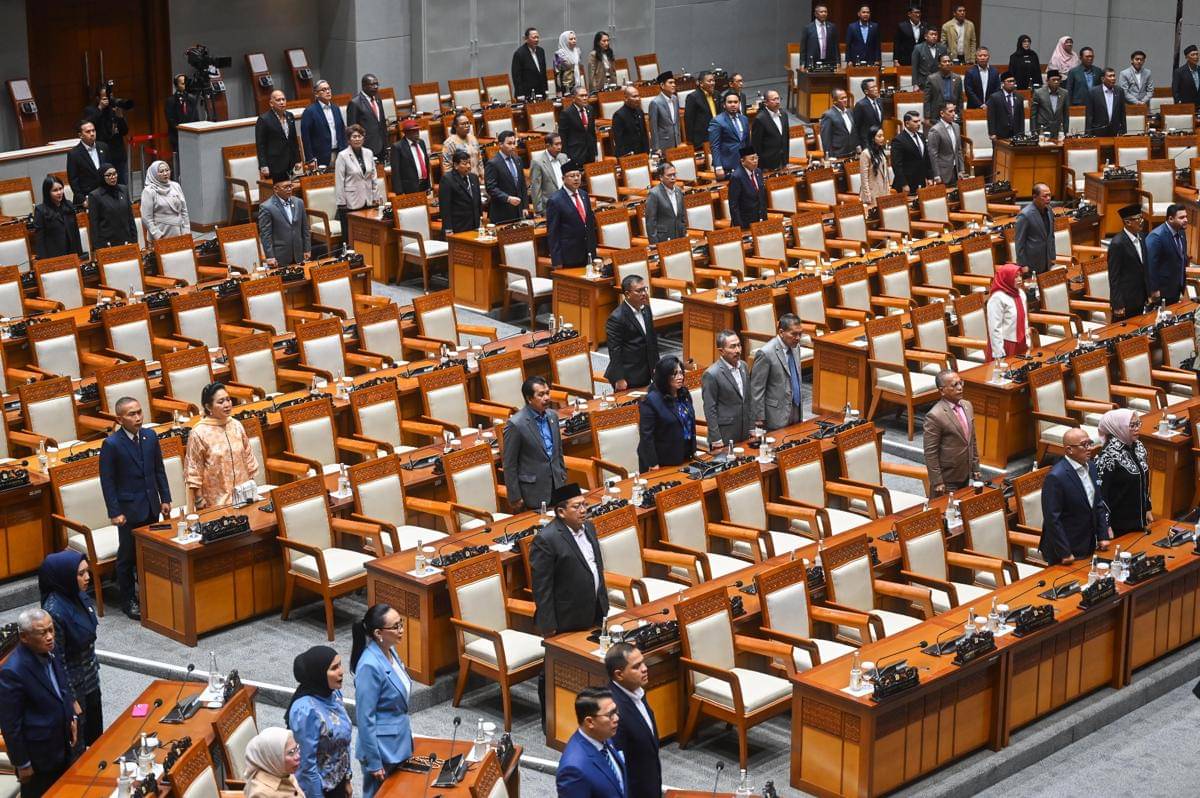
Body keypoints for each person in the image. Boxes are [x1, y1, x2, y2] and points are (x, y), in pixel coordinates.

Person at [99, 397, 170, 620]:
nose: (138, 417)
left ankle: (151, 594)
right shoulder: (111, 444)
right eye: (132, 414)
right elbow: (108, 482)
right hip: (128, 511)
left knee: (151, 552)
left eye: (139, 412)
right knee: (127, 557)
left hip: (151, 505)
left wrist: (165, 498)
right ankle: (128, 600)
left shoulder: (150, 437)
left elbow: (159, 469)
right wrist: (114, 512)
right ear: (120, 419)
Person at [0, 609, 79, 798]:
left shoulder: (51, 649)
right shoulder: (12, 672)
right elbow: (11, 725)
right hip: (39, 757)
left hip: (62, 743)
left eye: (51, 630)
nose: (50, 637)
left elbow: (62, 686)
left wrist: (72, 716)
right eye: (43, 633)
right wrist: (22, 764)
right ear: (25, 637)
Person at [530, 483, 609, 636]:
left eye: (585, 504)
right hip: (568, 619)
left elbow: (595, 567)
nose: (583, 510)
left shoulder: (589, 527)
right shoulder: (546, 540)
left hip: (596, 611)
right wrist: (548, 625)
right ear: (561, 512)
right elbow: (542, 587)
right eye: (576, 506)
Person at [38, 551, 100, 746]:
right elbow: (57, 660)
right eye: (81, 574)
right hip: (75, 687)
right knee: (79, 746)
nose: (87, 577)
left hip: (90, 678)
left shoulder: (79, 596)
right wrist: (71, 700)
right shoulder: (54, 611)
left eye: (87, 572)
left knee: (97, 739)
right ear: (65, 576)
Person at [351, 605, 412, 798]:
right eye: (395, 627)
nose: (401, 629)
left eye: (401, 623)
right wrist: (374, 761)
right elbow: (364, 718)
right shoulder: (369, 665)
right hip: (381, 749)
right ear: (378, 633)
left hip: (397, 741)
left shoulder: (389, 650)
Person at [1040, 427, 1112, 565]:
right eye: (1084, 445)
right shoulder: (1055, 477)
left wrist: (1103, 535)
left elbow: (1098, 502)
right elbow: (1052, 519)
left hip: (1088, 544)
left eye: (1090, 443)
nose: (1089, 448)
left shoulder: (1091, 467)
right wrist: (1065, 552)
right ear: (1069, 450)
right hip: (1065, 551)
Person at [287, 646, 352, 798]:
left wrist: (347, 779)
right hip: (320, 790)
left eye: (340, 665)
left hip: (339, 781)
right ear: (319, 674)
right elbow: (305, 766)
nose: (341, 671)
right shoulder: (305, 711)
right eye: (334, 668)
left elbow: (344, 744)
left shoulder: (334, 694)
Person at [185, 383, 259, 510]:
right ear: (208, 407)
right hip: (216, 502)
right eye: (221, 402)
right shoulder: (199, 433)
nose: (227, 404)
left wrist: (251, 487)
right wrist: (199, 500)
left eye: (228, 399)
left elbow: (248, 457)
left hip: (244, 496)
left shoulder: (236, 425)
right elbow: (193, 470)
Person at [502, 376, 567, 513]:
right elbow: (509, 464)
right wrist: (514, 497)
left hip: (557, 486)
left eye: (547, 393)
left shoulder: (552, 416)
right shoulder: (516, 424)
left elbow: (558, 450)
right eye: (541, 395)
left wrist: (562, 473)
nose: (546, 398)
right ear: (529, 398)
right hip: (533, 492)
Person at [605, 644, 660, 798]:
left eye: (643, 662)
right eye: (636, 667)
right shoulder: (613, 712)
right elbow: (617, 767)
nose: (644, 668)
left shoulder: (637, 692)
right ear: (619, 674)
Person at [555, 687, 626, 798]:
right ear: (590, 722)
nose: (616, 718)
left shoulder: (604, 736)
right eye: (610, 714)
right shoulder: (573, 770)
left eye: (616, 711)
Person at [1095, 409, 1153, 535]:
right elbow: (1101, 495)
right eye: (1132, 425)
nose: (1137, 428)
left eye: (1138, 423)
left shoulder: (1138, 446)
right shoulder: (1107, 456)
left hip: (1139, 519)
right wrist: (1105, 525)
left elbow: (1144, 479)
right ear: (1118, 427)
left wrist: (1147, 508)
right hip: (1119, 525)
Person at [922, 370, 979, 495]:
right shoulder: (934, 415)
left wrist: (975, 467)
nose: (960, 388)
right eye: (954, 385)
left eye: (961, 383)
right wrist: (937, 482)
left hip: (965, 473)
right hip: (947, 480)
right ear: (942, 390)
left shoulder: (967, 406)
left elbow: (972, 440)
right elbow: (930, 453)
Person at [637, 356, 697, 471]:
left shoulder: (684, 394)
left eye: (681, 373)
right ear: (664, 376)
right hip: (662, 461)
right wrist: (653, 463)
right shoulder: (651, 401)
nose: (680, 377)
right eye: (674, 374)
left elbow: (689, 422)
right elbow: (646, 436)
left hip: (685, 456)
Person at [749, 313, 806, 431]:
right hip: (776, 413)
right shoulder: (766, 353)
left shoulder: (796, 347)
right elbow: (757, 388)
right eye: (794, 334)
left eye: (800, 334)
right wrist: (758, 417)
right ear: (781, 332)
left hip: (796, 408)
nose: (798, 338)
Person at [604, 275, 659, 390]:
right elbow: (615, 350)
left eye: (645, 289)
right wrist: (619, 378)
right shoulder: (617, 318)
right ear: (628, 294)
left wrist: (656, 365)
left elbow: (652, 340)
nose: (644, 293)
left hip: (647, 368)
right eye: (639, 291)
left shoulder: (646, 309)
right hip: (629, 374)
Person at [701, 330, 752, 448]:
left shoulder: (743, 366)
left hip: (744, 430)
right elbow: (710, 409)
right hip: (724, 434)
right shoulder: (711, 374)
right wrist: (716, 438)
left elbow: (748, 399)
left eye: (739, 345)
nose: (738, 350)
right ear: (721, 351)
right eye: (733, 347)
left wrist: (752, 427)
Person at [335, 124, 386, 235]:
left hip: (368, 199)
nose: (357, 139)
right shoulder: (342, 156)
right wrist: (341, 203)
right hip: (351, 201)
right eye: (354, 136)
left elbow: (373, 177)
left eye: (359, 136)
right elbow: (339, 181)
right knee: (352, 234)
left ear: (363, 138)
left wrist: (375, 196)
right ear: (349, 140)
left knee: (367, 232)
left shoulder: (369, 153)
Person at [545, 160, 597, 268]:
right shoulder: (555, 200)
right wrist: (557, 261)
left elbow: (589, 224)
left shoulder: (584, 195)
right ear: (563, 179)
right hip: (569, 256)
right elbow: (553, 234)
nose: (576, 178)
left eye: (578, 175)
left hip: (588, 253)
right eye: (572, 176)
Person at [1107, 204, 1149, 320]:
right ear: (1127, 222)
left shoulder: (1142, 237)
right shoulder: (1117, 244)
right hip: (1125, 301)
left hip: (1140, 297)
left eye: (1141, 217)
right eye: (1138, 219)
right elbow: (1114, 277)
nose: (1141, 221)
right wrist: (1117, 304)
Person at [82, 84, 129, 186]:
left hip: (119, 154)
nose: (108, 100)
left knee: (122, 186)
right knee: (106, 186)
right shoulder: (91, 110)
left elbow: (124, 131)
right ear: (98, 98)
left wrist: (120, 117)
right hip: (103, 154)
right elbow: (88, 125)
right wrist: (100, 108)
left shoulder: (114, 109)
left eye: (110, 97)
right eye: (104, 98)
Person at [258, 179, 311, 267]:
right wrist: (270, 256)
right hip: (280, 256)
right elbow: (266, 235)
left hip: (299, 254)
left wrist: (307, 249)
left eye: (290, 186)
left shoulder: (299, 202)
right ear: (276, 189)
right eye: (285, 187)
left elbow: (305, 228)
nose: (289, 189)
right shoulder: (266, 207)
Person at [31, 175, 83, 260]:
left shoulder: (69, 205)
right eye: (55, 190)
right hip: (53, 256)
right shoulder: (40, 210)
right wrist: (45, 261)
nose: (59, 192)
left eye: (60, 188)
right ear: (47, 192)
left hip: (72, 253)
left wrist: (79, 255)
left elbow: (76, 232)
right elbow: (40, 239)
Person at [985, 262, 1030, 360]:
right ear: (1006, 278)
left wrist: (1027, 338)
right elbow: (994, 328)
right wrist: (999, 352)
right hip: (1005, 344)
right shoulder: (997, 298)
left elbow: (1024, 318)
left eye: (1020, 276)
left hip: (1021, 342)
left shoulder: (1021, 293)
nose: (1019, 279)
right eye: (1015, 276)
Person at [242, 727, 303, 798]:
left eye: (297, 748)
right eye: (291, 752)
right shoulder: (261, 794)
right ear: (273, 758)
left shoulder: (281, 770)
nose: (298, 756)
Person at [1146, 204, 1189, 305]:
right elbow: (1151, 266)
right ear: (1170, 218)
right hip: (1162, 291)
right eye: (1181, 217)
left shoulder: (1181, 233)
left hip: (1176, 287)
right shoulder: (1156, 237)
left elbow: (1181, 258)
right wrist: (1154, 289)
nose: (1186, 220)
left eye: (1186, 216)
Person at [87, 164, 137, 249]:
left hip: (127, 240)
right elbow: (94, 225)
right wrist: (98, 248)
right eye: (108, 175)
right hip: (107, 244)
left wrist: (134, 240)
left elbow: (130, 218)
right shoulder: (95, 196)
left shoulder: (123, 190)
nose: (112, 177)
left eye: (114, 174)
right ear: (102, 177)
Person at [301, 80, 348, 170]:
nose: (327, 91)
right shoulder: (310, 111)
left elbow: (342, 130)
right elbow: (306, 138)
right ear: (316, 94)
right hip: (321, 156)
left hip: (339, 153)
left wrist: (345, 150)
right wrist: (310, 159)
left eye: (328, 89)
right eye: (323, 90)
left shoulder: (336, 108)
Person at [256, 90, 301, 183]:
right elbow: (260, 145)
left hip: (290, 162)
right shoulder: (264, 119)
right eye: (278, 100)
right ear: (271, 103)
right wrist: (263, 165)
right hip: (274, 164)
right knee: (279, 191)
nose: (281, 102)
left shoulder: (290, 116)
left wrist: (298, 160)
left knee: (290, 190)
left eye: (283, 99)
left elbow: (293, 140)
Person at [140, 160, 190, 243]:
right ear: (154, 174)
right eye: (161, 171)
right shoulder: (149, 191)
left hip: (180, 232)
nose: (165, 173)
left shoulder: (175, 186)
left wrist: (186, 230)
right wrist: (158, 235)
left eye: (167, 170)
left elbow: (184, 211)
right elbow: (146, 218)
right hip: (162, 233)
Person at [485, 131, 527, 224]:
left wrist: (524, 207)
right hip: (502, 213)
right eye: (509, 143)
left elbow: (522, 185)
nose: (513, 146)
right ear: (500, 144)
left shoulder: (518, 160)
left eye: (514, 143)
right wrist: (508, 198)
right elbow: (491, 188)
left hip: (518, 211)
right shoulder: (493, 163)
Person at [438, 149, 482, 235]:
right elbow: (445, 207)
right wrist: (448, 229)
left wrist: (479, 220)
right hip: (458, 226)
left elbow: (477, 200)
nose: (468, 166)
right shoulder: (447, 179)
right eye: (464, 163)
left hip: (474, 225)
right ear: (456, 165)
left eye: (469, 163)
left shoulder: (474, 178)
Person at [345, 74, 387, 158]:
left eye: (377, 84)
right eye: (372, 84)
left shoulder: (378, 99)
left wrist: (386, 144)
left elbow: (382, 124)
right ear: (364, 86)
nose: (375, 87)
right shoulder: (355, 103)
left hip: (381, 146)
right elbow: (352, 130)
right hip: (366, 147)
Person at [65, 120, 108, 202]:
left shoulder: (104, 147)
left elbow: (109, 169)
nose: (92, 134)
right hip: (87, 197)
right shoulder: (74, 154)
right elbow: (73, 180)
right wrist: (82, 200)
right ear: (80, 135)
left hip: (106, 194)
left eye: (93, 130)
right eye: (88, 132)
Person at [643, 162, 687, 243]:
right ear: (661, 177)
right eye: (669, 175)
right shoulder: (654, 194)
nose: (673, 177)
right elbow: (650, 222)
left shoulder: (678, 191)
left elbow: (682, 216)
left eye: (674, 174)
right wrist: (654, 244)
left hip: (680, 236)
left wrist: (684, 233)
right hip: (663, 239)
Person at [890, 111, 932, 194]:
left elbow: (926, 158)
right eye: (915, 122)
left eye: (919, 121)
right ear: (907, 123)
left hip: (920, 181)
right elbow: (896, 165)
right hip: (907, 183)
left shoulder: (921, 136)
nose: (919, 124)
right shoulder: (899, 140)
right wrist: (904, 184)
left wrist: (930, 177)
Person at [164, 74, 199, 167]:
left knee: (193, 160)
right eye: (182, 83)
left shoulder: (192, 98)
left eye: (185, 83)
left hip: (192, 135)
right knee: (180, 162)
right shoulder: (170, 101)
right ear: (176, 85)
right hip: (177, 136)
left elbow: (196, 117)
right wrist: (182, 130)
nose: (185, 85)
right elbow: (170, 120)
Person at [927, 102, 964, 187]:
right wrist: (936, 175)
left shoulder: (956, 127)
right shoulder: (935, 130)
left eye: (954, 111)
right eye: (950, 111)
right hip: (943, 173)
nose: (953, 114)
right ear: (942, 113)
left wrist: (961, 169)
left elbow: (959, 150)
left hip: (956, 170)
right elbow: (933, 155)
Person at [727, 147, 766, 229]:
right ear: (742, 161)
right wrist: (739, 226)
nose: (755, 161)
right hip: (745, 223)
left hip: (761, 219)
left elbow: (761, 198)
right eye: (752, 159)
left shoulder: (758, 172)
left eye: (756, 158)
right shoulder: (736, 177)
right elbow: (734, 205)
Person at [390, 119, 430, 196]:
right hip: (408, 189)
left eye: (417, 130)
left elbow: (426, 164)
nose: (417, 133)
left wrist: (428, 185)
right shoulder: (398, 147)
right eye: (413, 131)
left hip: (424, 186)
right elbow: (395, 172)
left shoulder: (421, 143)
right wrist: (399, 192)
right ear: (406, 133)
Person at [530, 132, 567, 214]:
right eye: (556, 144)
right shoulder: (537, 162)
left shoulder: (563, 157)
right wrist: (539, 210)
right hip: (550, 206)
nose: (559, 147)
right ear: (548, 146)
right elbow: (536, 188)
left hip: (567, 202)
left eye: (560, 144)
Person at [560, 86, 598, 167]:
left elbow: (592, 133)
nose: (584, 98)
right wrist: (567, 157)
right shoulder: (566, 113)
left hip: (590, 154)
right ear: (573, 98)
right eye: (581, 96)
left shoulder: (590, 109)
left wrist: (595, 152)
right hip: (575, 154)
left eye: (586, 95)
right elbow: (563, 137)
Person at [750, 90, 788, 171]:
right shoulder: (760, 119)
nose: (777, 102)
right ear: (766, 102)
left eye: (778, 99)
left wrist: (786, 160)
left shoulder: (784, 115)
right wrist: (760, 165)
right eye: (774, 99)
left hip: (782, 161)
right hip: (767, 164)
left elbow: (786, 138)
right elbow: (756, 145)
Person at [441, 113, 484, 181]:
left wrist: (482, 175)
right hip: (460, 181)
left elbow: (479, 159)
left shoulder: (473, 138)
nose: (467, 126)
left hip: (476, 178)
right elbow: (447, 167)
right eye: (463, 124)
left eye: (468, 123)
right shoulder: (449, 143)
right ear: (455, 126)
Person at [923, 54, 964, 122]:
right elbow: (927, 100)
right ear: (939, 64)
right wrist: (927, 117)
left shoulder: (957, 78)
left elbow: (960, 99)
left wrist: (960, 114)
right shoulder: (932, 78)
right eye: (944, 62)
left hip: (953, 114)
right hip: (937, 115)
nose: (947, 63)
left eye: (949, 61)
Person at [1085, 68, 1127, 135]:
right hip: (1098, 130)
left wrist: (1124, 130)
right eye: (1110, 76)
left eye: (1114, 76)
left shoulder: (1120, 91)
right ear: (1102, 79)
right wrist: (1088, 132)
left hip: (1114, 131)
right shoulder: (1093, 92)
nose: (1113, 78)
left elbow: (1122, 112)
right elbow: (1089, 114)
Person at [986, 72, 1026, 140]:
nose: (1012, 83)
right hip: (1000, 134)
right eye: (1009, 81)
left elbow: (1021, 117)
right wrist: (992, 133)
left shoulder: (1019, 97)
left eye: (1013, 81)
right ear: (1002, 83)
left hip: (1016, 133)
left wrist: (1022, 133)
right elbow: (991, 117)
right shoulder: (995, 97)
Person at [611, 86, 648, 157]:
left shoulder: (640, 111)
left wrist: (647, 152)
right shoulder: (619, 115)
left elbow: (644, 134)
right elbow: (619, 141)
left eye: (638, 96)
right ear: (626, 98)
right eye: (634, 96)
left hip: (642, 152)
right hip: (628, 155)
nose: (638, 99)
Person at [819, 88, 856, 158]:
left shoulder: (850, 112)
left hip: (852, 153)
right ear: (834, 101)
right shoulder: (828, 115)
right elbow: (826, 139)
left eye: (845, 97)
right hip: (838, 154)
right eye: (842, 99)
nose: (845, 100)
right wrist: (830, 156)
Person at [858, 126, 891, 207]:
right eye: (879, 136)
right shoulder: (865, 154)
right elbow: (864, 178)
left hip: (883, 193)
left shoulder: (881, 152)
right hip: (872, 195)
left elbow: (885, 175)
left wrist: (888, 190)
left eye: (882, 135)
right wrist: (867, 197)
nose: (882, 138)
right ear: (872, 138)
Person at [512, 27, 548, 99]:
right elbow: (516, 76)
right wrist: (520, 95)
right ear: (526, 39)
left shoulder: (541, 51)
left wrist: (546, 90)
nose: (536, 40)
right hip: (526, 94)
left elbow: (543, 73)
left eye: (537, 37)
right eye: (534, 38)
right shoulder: (519, 54)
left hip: (540, 92)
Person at [649, 71, 681, 152]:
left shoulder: (675, 99)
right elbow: (653, 128)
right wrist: (656, 148)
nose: (674, 85)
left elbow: (676, 122)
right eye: (670, 83)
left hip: (676, 142)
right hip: (663, 144)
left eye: (674, 82)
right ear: (662, 85)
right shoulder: (655, 103)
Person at [685, 71, 718, 148]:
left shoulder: (717, 94)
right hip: (702, 140)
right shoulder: (693, 97)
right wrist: (690, 141)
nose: (712, 83)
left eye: (713, 80)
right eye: (709, 81)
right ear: (701, 83)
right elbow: (689, 120)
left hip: (717, 136)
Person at [1031, 70, 1069, 136]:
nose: (1056, 82)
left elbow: (1066, 114)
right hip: (1042, 129)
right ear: (1047, 80)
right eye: (1053, 80)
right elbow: (1033, 114)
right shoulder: (1038, 93)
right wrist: (1033, 130)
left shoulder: (1064, 93)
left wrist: (1066, 131)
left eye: (1058, 80)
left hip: (1058, 130)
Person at [852, 79, 885, 150]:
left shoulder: (880, 102)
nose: (876, 89)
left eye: (876, 86)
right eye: (872, 87)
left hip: (878, 141)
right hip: (866, 143)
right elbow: (856, 127)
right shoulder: (860, 105)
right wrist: (857, 144)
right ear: (866, 91)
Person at [912, 28, 946, 94]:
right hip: (923, 83)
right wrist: (915, 84)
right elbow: (914, 68)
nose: (934, 36)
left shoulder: (942, 48)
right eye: (931, 34)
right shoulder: (918, 48)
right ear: (925, 36)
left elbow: (945, 66)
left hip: (939, 82)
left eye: (936, 35)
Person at [554, 30, 585, 95]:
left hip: (578, 82)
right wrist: (558, 90)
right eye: (571, 39)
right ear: (564, 41)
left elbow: (579, 67)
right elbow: (557, 73)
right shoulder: (559, 54)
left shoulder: (577, 51)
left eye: (574, 38)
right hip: (566, 85)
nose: (574, 41)